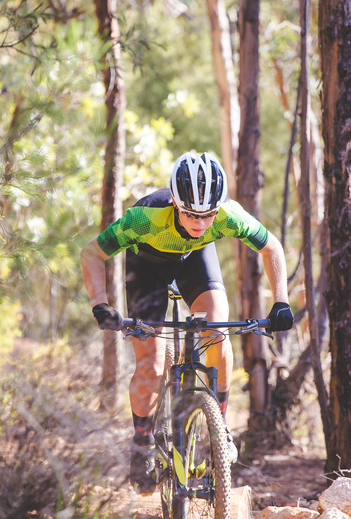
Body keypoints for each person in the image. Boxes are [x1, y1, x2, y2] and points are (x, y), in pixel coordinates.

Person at [80, 150, 294, 494]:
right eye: (192, 214)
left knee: (216, 331)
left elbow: (272, 248)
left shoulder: (228, 215)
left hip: (195, 260)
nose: (200, 223)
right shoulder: (143, 218)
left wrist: (281, 301)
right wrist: (100, 305)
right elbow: (92, 253)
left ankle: (219, 425)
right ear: (176, 204)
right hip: (147, 268)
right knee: (150, 362)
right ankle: (142, 441)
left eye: (208, 215)